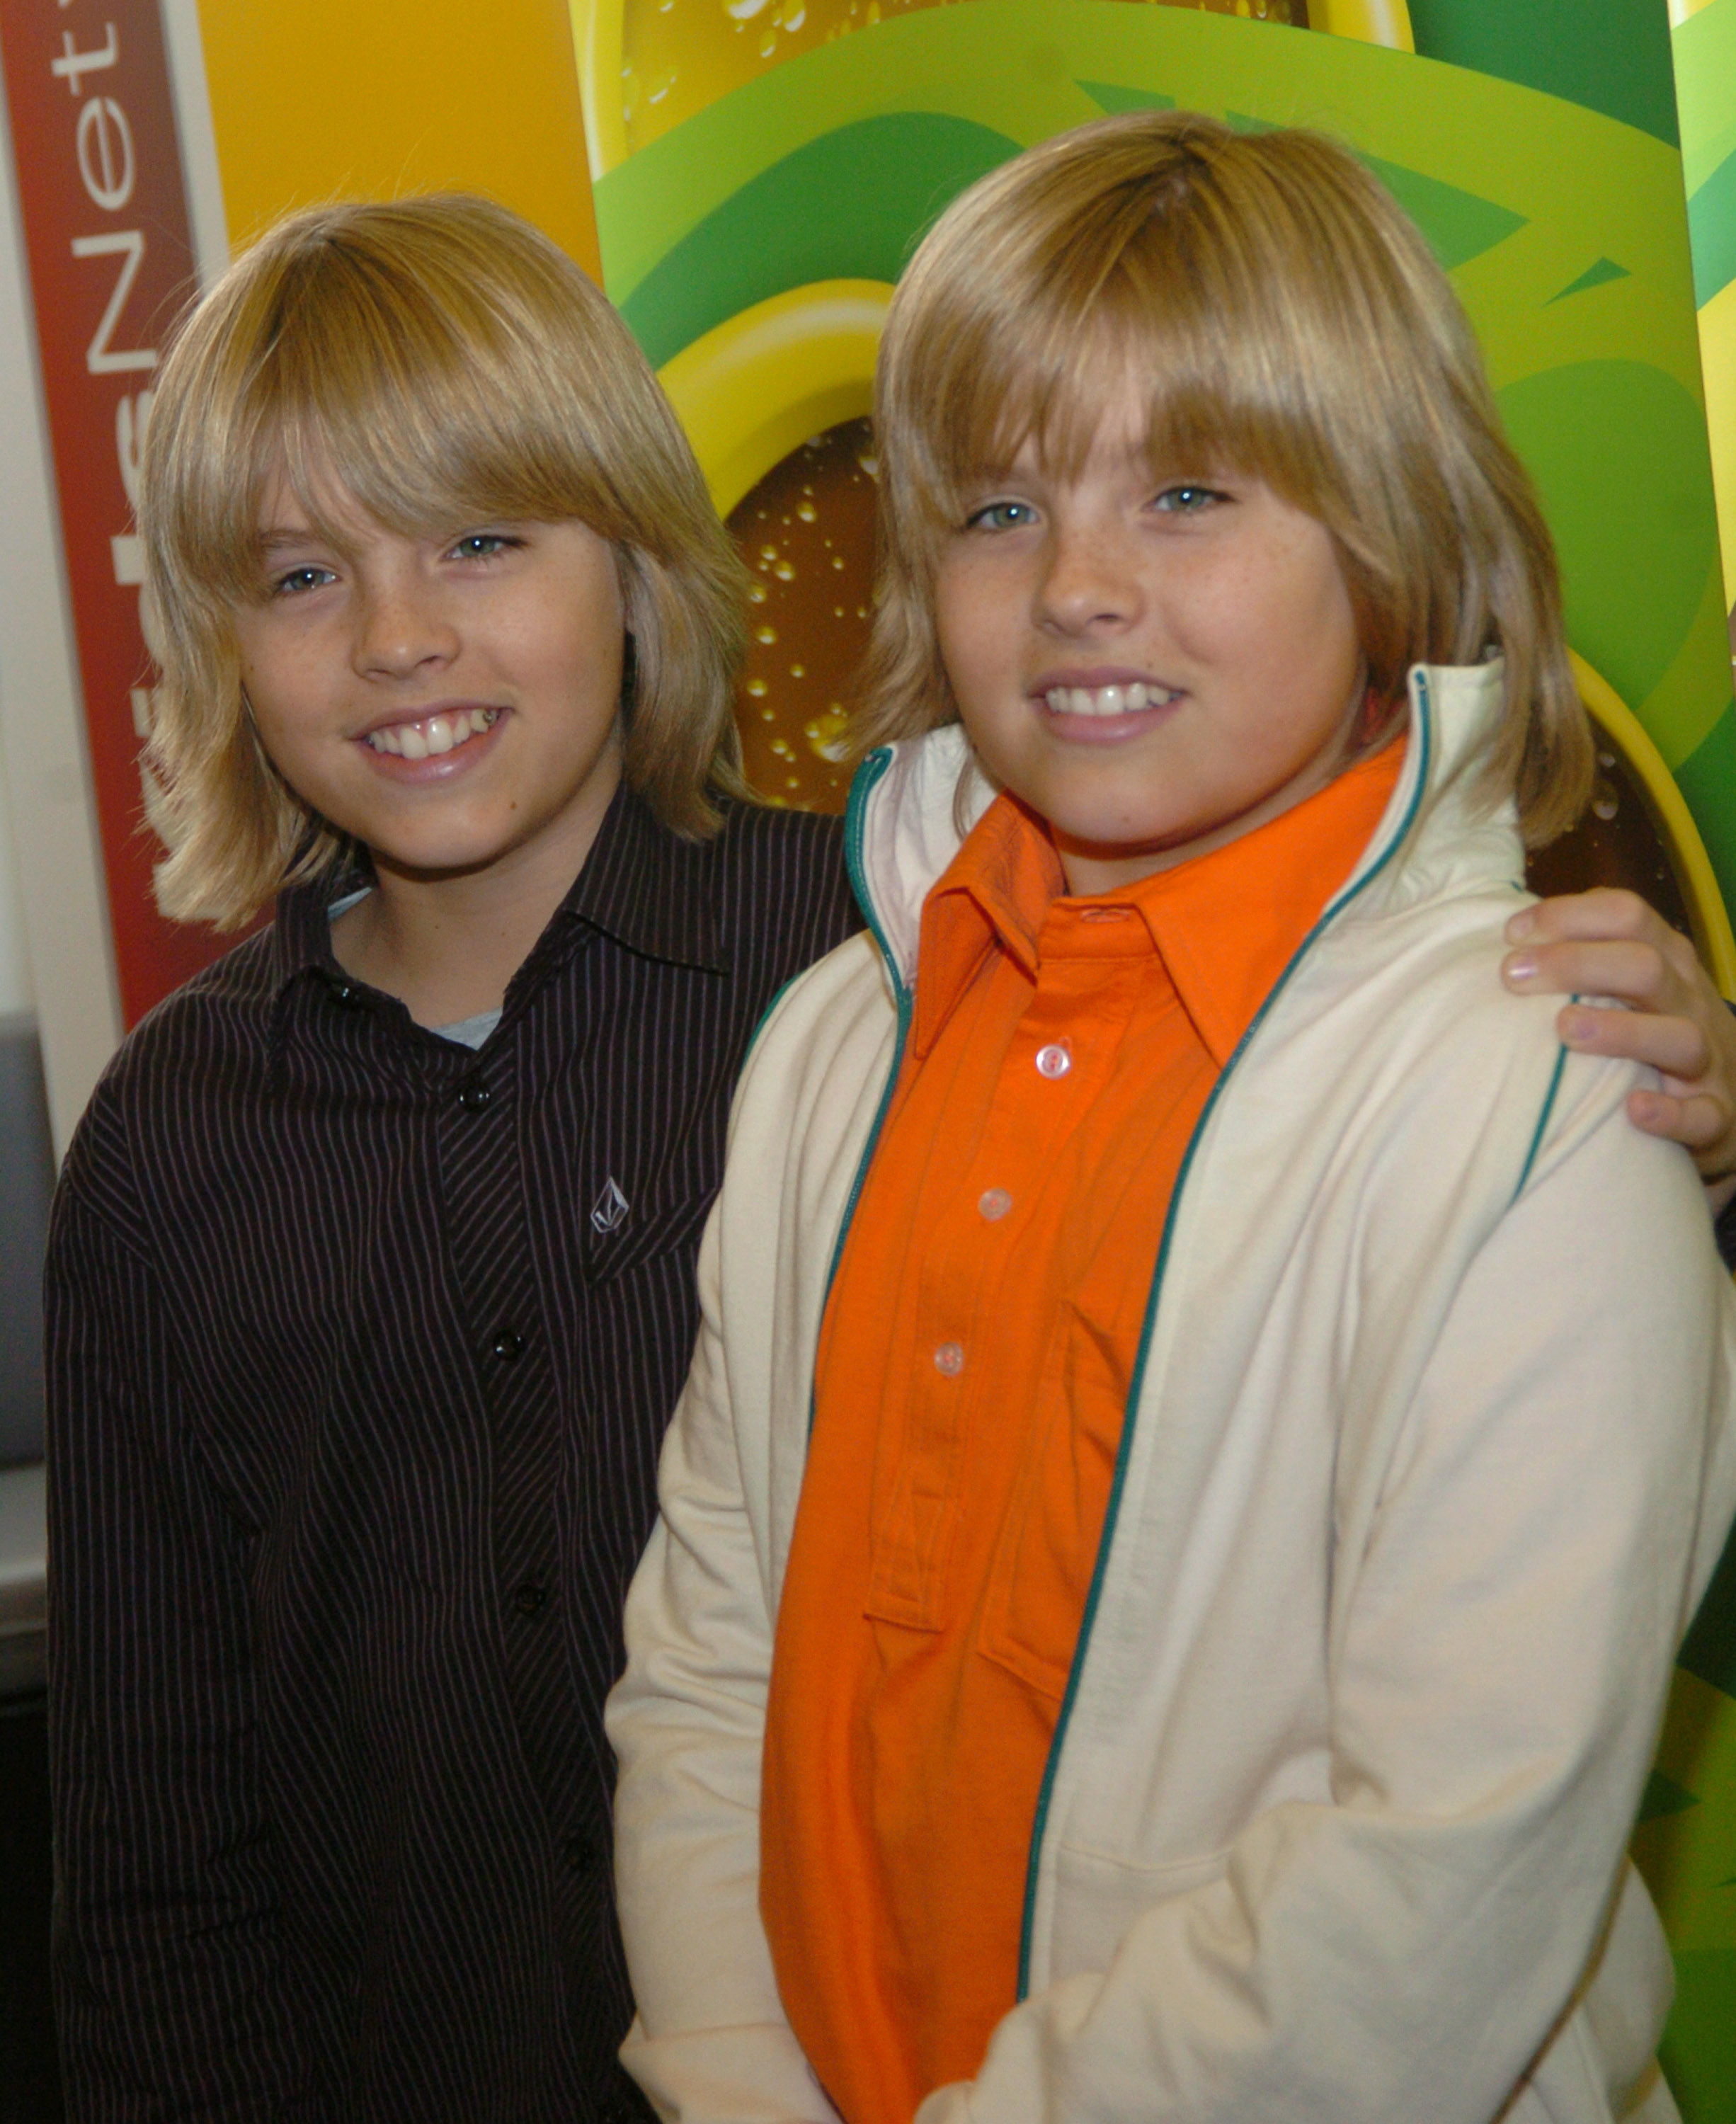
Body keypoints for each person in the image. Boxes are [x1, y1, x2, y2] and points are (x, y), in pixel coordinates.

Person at [605, 114, 1736, 2124]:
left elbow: (1440, 1872)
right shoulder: (828, 1052)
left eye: (1191, 488)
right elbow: (706, 1662)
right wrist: (727, 2076)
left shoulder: (1534, 1094)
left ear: (1388, 538)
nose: (1079, 589)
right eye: (998, 508)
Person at [43, 196, 858, 2124]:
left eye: (480, 539)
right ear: (218, 645)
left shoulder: (878, 972)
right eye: (301, 574)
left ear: (640, 567)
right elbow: (159, 1868)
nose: (400, 639)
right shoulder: (167, 1153)